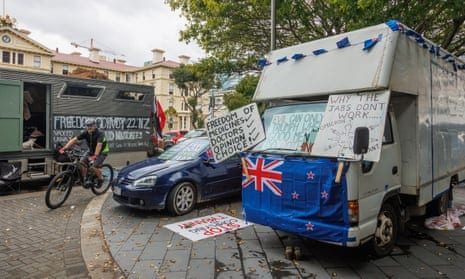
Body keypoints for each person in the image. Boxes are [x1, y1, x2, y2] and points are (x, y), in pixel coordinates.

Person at [59, 119, 109, 187]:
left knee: (94, 167)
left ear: (95, 126)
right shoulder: (86, 133)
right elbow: (74, 140)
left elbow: (99, 145)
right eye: (87, 126)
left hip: (102, 152)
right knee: (82, 162)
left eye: (91, 125)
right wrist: (65, 148)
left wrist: (95, 156)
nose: (89, 127)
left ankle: (101, 179)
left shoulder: (100, 133)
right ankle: (84, 179)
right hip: (91, 150)